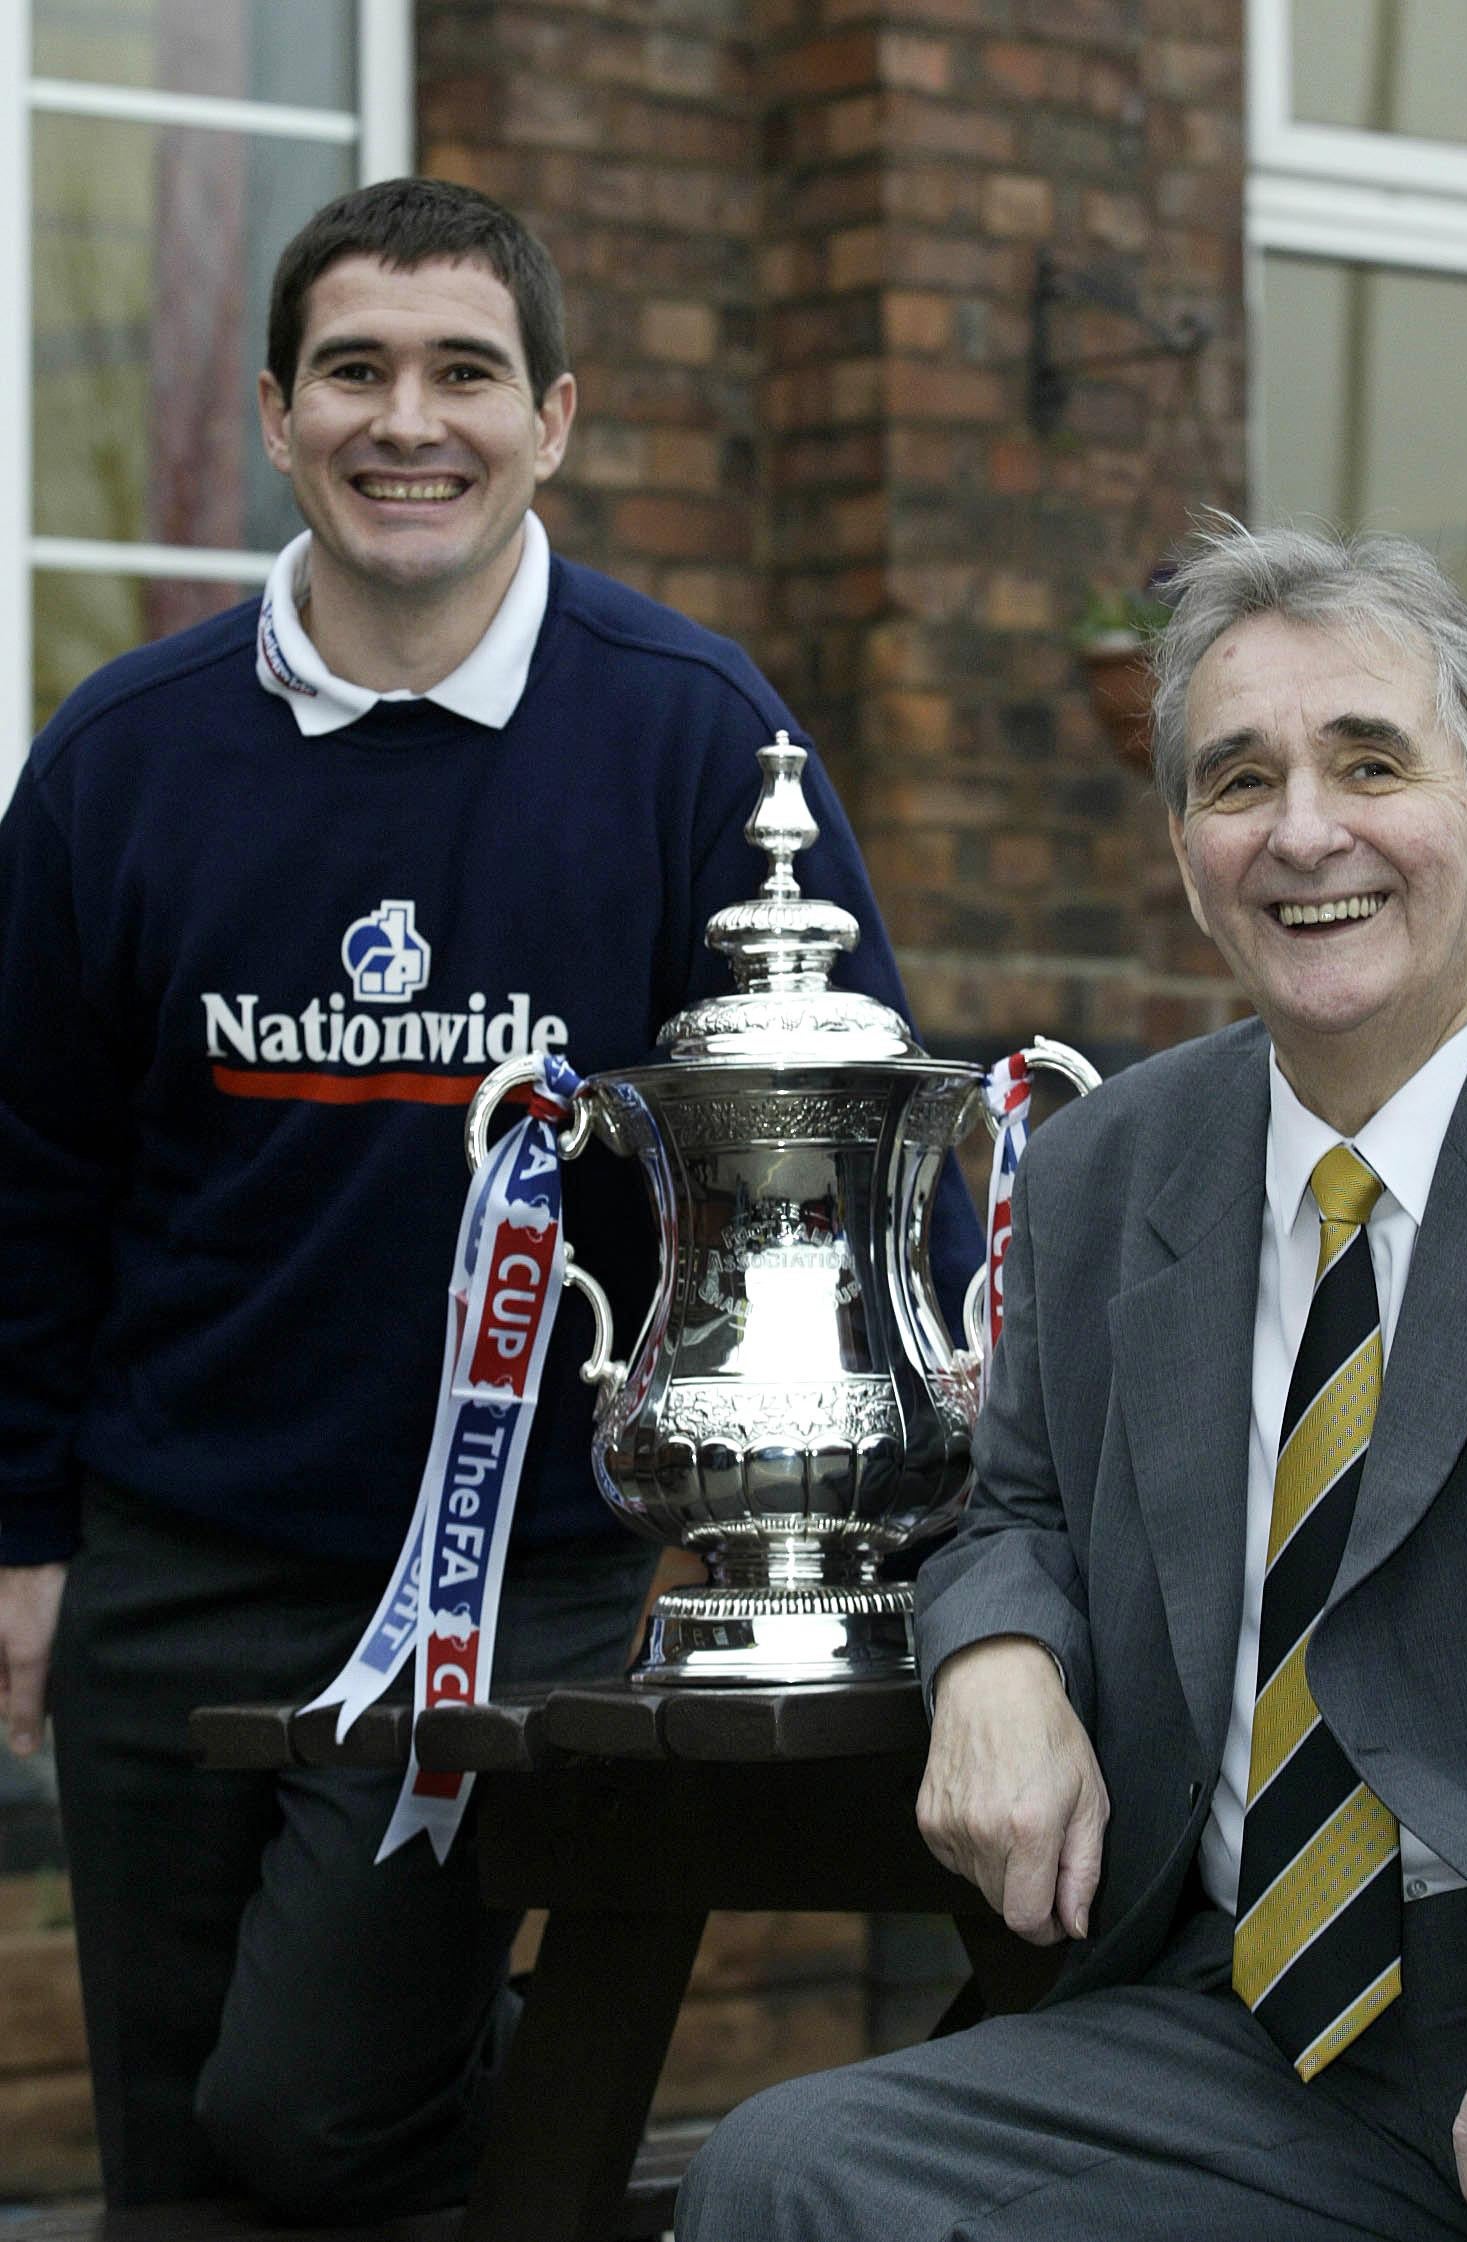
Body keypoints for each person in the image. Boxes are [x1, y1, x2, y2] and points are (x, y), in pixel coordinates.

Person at [0, 177, 979, 2218]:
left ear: (554, 418)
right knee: (180, 2164)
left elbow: (864, 1163)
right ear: (275, 411)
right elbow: (27, 1168)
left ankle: (566, 2126)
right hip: (174, 1550)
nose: (404, 419)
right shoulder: (121, 755)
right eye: (352, 369)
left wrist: (942, 1520)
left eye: (463, 371)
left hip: (513, 1567)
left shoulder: (695, 737)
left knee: (310, 2104)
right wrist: (21, 1536)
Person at [677, 524, 1467, 2242]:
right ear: (1190, 856)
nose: (1305, 831)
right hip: (1250, 2032)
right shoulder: (1114, 1169)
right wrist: (992, 1651)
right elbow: (1011, 1503)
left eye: (1370, 761)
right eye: (1236, 780)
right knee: (788, 2171)